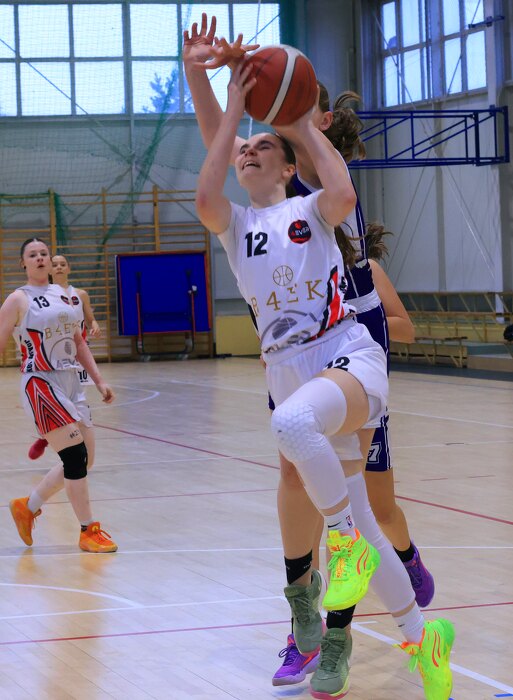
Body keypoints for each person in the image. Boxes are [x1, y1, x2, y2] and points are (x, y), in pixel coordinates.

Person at [184, 18, 453, 700]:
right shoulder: (238, 224)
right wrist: (208, 83)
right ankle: (423, 637)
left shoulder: (313, 205)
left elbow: (338, 189)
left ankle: (338, 565)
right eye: (243, 147)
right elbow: (213, 168)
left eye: (261, 145)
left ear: (287, 162)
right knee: (354, 508)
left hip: (345, 352)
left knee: (301, 441)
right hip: (287, 368)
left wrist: (297, 120)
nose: (247, 148)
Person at [2, 238, 117, 553]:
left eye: (44, 253)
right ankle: (88, 530)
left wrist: (99, 380)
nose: (40, 258)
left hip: (71, 382)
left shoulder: (63, 296)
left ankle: (27, 506)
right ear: (23, 263)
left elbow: (78, 342)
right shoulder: (18, 299)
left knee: (85, 459)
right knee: (74, 456)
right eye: (32, 255)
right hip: (40, 381)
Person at [28, 253, 102, 460]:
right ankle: (45, 435)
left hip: (78, 352)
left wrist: (95, 325)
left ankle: (74, 443)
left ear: (69, 268)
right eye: (55, 264)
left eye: (63, 264)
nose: (59, 267)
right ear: (49, 269)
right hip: (54, 354)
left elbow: (90, 318)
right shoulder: (43, 297)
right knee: (56, 398)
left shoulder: (80, 294)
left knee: (78, 398)